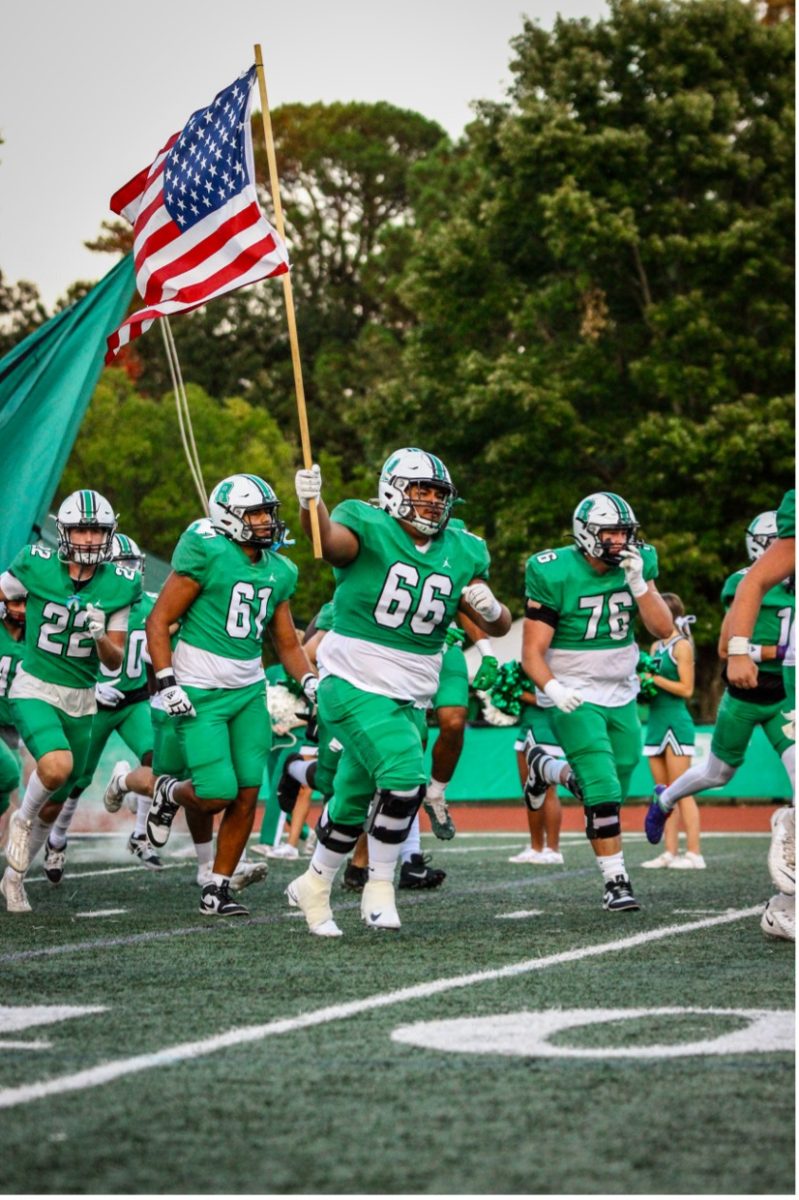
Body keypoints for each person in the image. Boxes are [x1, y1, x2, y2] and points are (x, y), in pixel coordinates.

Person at [287, 447, 511, 936]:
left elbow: (496, 626)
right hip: (352, 680)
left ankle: (315, 885)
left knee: (350, 796)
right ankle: (380, 886)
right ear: (392, 491)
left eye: (438, 494)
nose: (431, 502)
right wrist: (313, 504)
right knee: (405, 773)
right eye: (420, 491)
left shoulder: (464, 548)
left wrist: (490, 607)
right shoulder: (366, 523)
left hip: (412, 691)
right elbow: (328, 541)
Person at [144, 474, 317, 917]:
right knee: (215, 792)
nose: (265, 522)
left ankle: (216, 888)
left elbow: (287, 643)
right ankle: (166, 791)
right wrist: (167, 680)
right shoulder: (207, 551)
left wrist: (312, 683)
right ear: (228, 517)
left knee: (246, 792)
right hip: (200, 686)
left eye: (268, 513)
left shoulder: (279, 569)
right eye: (255, 513)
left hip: (246, 690)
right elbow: (158, 621)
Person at [645, 505, 795, 941]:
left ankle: (789, 890)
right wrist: (772, 652)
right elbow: (731, 647)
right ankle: (665, 799)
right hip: (746, 696)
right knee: (718, 772)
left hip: (786, 696)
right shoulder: (744, 582)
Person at [522, 491, 673, 912]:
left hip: (620, 687)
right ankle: (616, 881)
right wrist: (552, 689)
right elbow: (531, 652)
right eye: (609, 532)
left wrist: (639, 583)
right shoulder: (551, 570)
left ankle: (546, 769)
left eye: (624, 532)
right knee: (603, 785)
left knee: (620, 773)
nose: (619, 540)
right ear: (585, 534)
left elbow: (663, 630)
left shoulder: (639, 561)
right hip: (572, 687)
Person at [0, 490, 140, 913]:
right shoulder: (34, 563)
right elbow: (4, 593)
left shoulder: (121, 584)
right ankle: (20, 820)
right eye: (80, 528)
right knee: (55, 767)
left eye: (96, 530)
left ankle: (14, 879)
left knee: (59, 795)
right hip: (36, 684)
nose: (88, 538)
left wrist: (99, 636)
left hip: (83, 696)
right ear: (63, 530)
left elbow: (114, 660)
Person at [41, 533, 161, 882]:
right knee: (78, 777)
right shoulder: (91, 605)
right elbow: (62, 654)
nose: (130, 572)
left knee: (158, 763)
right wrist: (91, 686)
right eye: (121, 565)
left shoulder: (154, 603)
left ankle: (139, 832)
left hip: (134, 700)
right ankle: (57, 839)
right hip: (94, 701)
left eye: (133, 565)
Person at [640, 594, 703, 869]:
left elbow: (687, 690)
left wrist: (654, 679)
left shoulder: (682, 647)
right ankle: (669, 852)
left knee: (682, 791)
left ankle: (694, 853)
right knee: (663, 794)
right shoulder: (655, 647)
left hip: (676, 724)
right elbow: (651, 685)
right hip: (654, 723)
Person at [508, 680, 564, 865]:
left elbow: (557, 698)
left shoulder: (555, 659)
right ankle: (536, 846)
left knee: (548, 791)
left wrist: (520, 693)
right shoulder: (524, 663)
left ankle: (553, 849)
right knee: (529, 791)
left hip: (547, 727)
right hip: (527, 726)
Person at [0, 597, 27, 845]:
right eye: (15, 604)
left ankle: (6, 843)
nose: (21, 611)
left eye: (25, 604)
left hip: (11, 722)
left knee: (12, 778)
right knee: (8, 773)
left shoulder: (35, 640)